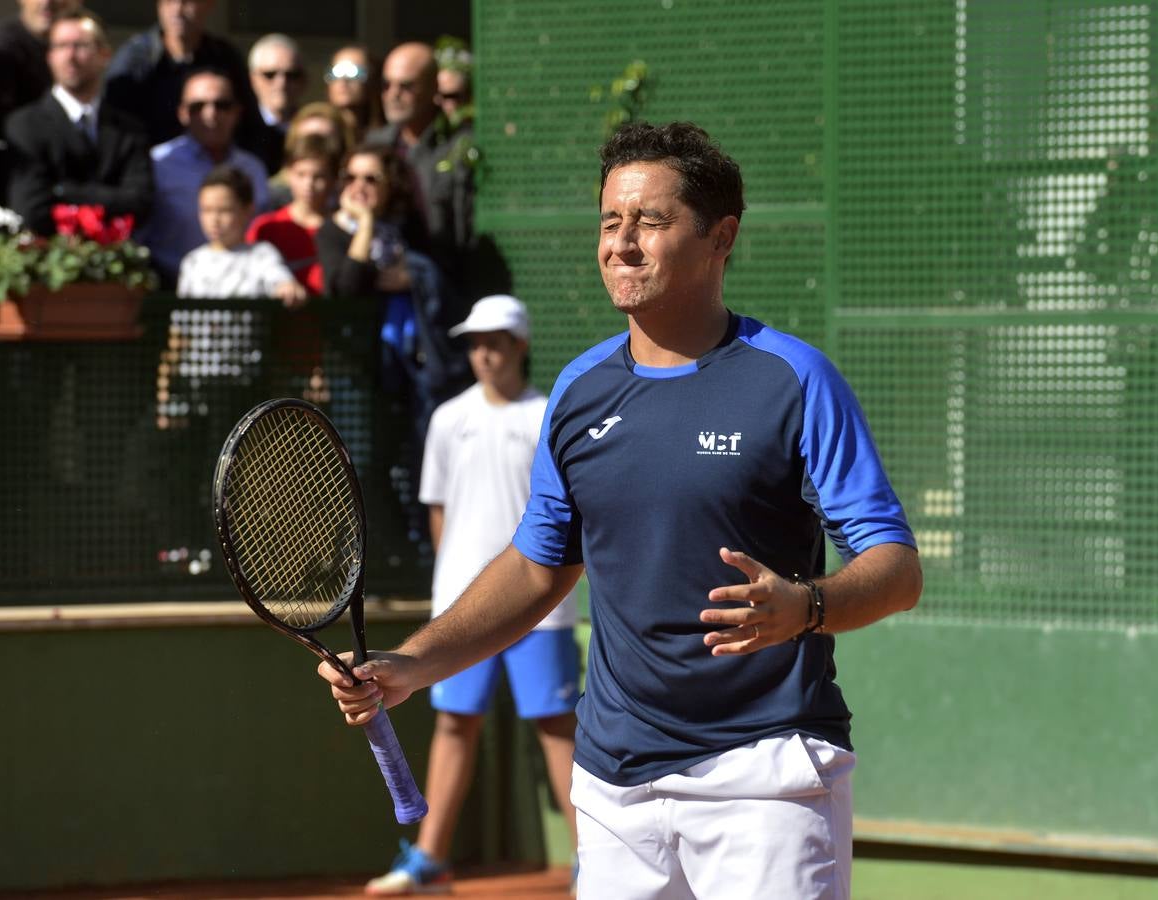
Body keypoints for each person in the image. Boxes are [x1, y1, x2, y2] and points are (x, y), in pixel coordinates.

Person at [317, 121, 923, 899]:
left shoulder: (795, 379)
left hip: (765, 778)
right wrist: (413, 664)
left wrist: (806, 607)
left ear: (720, 238)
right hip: (612, 790)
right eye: (610, 222)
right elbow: (537, 569)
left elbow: (896, 568)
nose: (622, 244)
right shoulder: (577, 392)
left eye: (651, 221)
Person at [364, 294, 580, 896]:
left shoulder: (548, 418)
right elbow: (439, 513)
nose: (483, 352)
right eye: (475, 341)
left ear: (520, 345)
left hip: (544, 608)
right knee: (456, 723)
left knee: (556, 726)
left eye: (495, 340)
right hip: (462, 611)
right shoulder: (447, 418)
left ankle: (591, 860)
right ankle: (430, 860)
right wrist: (459, 586)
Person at [317, 144, 464, 433]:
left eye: (371, 179)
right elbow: (347, 287)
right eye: (350, 177)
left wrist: (411, 277)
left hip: (408, 365)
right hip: (355, 366)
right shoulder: (331, 232)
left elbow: (433, 280)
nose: (359, 186)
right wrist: (366, 222)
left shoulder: (405, 229)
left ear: (390, 185)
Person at [3, 12, 152, 235]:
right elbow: (32, 209)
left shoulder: (129, 130)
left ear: (105, 54)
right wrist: (107, 200)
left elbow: (139, 203)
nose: (70, 56)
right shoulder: (24, 125)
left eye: (80, 45)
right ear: (50, 56)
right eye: (61, 46)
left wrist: (64, 192)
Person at [141, 67, 269, 284]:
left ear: (237, 112)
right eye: (197, 106)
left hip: (241, 290)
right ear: (182, 113)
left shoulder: (253, 168)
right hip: (169, 286)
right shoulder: (159, 163)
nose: (210, 114)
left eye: (222, 105)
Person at [103, 0, 273, 162]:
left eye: (187, 2)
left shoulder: (224, 58)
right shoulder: (135, 60)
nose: (177, 10)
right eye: (169, 1)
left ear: (209, 4)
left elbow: (251, 126)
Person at [366, 42, 472, 287]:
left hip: (444, 287)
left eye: (406, 86)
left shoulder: (461, 148)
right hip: (382, 289)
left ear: (433, 88)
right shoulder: (374, 146)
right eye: (386, 85)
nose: (393, 94)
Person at [0, 0, 81, 233]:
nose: (47, 2)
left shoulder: (83, 46)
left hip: (70, 203)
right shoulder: (0, 47)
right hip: (8, 199)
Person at [176, 164, 304, 304]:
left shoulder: (261, 255)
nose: (214, 219)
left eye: (224, 210)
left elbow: (278, 278)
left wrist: (286, 286)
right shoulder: (192, 261)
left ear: (248, 211)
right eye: (207, 210)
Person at [247, 132, 337, 295]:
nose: (308, 184)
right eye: (301, 174)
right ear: (288, 174)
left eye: (319, 176)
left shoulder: (342, 228)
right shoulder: (267, 227)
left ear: (333, 179)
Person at [265, 101, 353, 210]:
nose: (316, 147)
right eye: (308, 140)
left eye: (324, 141)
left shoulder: (351, 193)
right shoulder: (273, 197)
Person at [246, 33, 305, 173]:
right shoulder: (238, 130)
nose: (281, 83)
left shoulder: (311, 129)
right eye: (270, 74)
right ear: (252, 79)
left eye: (291, 75)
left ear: (303, 80)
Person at [324, 44, 381, 148]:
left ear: (373, 80)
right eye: (337, 72)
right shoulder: (319, 133)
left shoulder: (390, 138)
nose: (344, 80)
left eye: (354, 72)